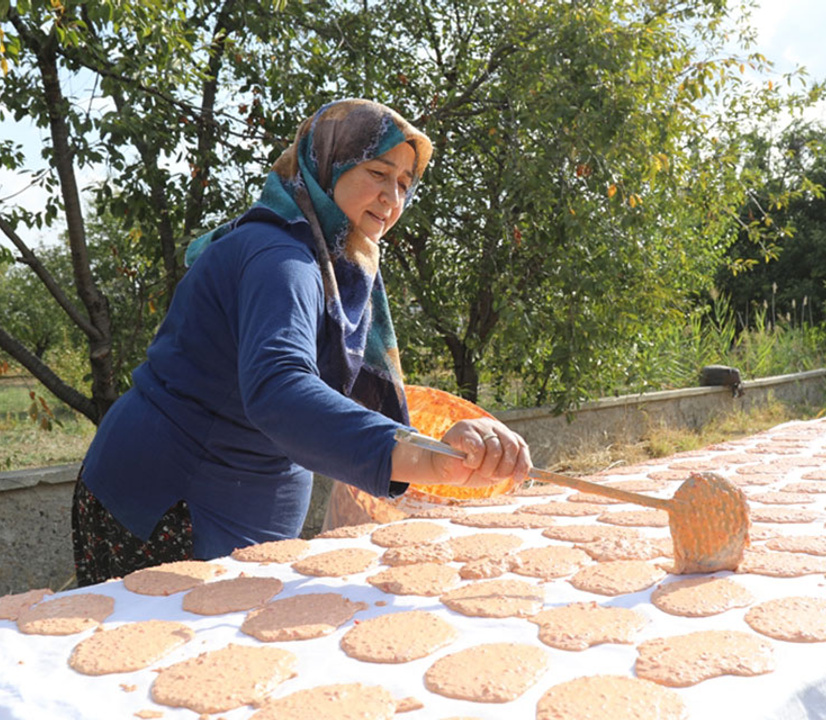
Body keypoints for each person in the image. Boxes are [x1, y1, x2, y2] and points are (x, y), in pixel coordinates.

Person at [72, 99, 531, 587]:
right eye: (378, 172)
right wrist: (426, 458)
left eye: (404, 183)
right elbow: (280, 390)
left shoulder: (334, 263)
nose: (392, 198)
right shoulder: (280, 258)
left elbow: (323, 397)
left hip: (241, 503)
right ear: (327, 164)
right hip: (170, 502)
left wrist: (423, 442)